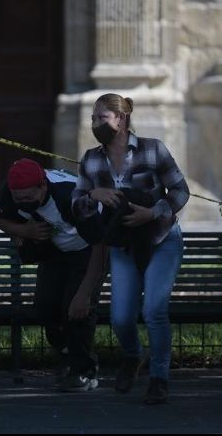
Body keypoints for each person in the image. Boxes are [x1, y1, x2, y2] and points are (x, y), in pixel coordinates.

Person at [72, 93, 189, 405]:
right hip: (123, 244)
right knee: (121, 318)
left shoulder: (153, 149)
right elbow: (76, 206)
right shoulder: (91, 159)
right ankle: (133, 355)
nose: (95, 123)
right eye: (93, 118)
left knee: (154, 311)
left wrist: (153, 212)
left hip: (161, 240)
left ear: (121, 120)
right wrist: (93, 195)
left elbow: (180, 190)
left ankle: (159, 379)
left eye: (101, 118)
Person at [0, 158, 107, 391]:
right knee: (45, 306)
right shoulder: (11, 190)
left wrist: (85, 293)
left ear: (43, 186)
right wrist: (24, 230)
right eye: (18, 199)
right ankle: (67, 354)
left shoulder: (72, 197)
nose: (24, 203)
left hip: (89, 250)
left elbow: (101, 246)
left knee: (76, 310)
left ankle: (83, 371)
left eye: (29, 197)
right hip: (55, 250)